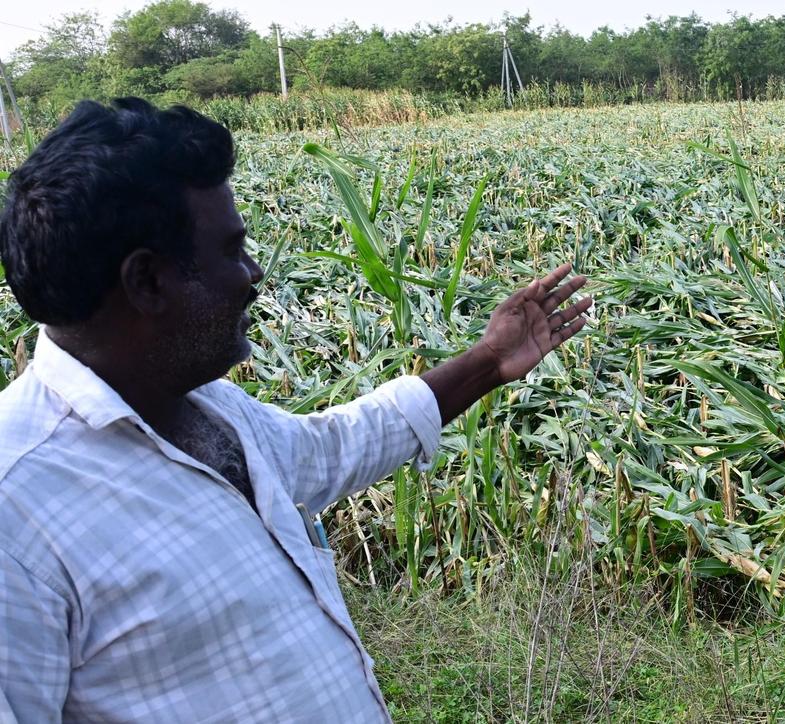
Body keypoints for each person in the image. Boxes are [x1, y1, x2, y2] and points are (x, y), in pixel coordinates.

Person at [0, 97, 592, 722]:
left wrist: (490, 361)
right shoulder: (17, 508)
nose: (252, 274)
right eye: (230, 251)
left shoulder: (207, 410)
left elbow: (342, 443)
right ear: (146, 282)